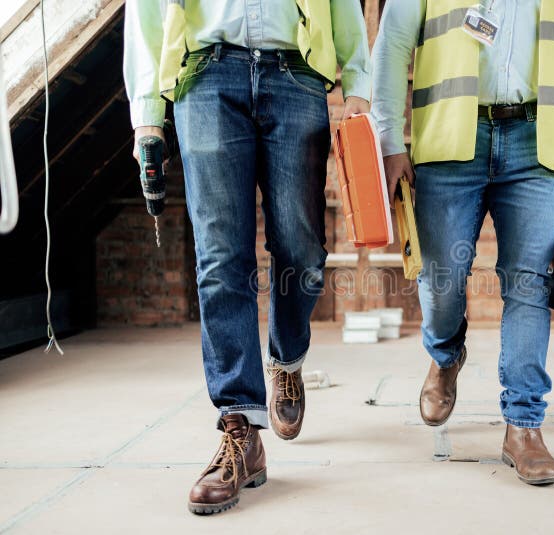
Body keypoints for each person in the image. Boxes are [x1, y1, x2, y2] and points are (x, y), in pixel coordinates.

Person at [123, 0, 370, 514]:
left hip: (296, 74)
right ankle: (240, 429)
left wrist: (358, 84)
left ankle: (287, 359)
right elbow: (145, 11)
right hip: (206, 75)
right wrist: (147, 116)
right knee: (220, 260)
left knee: (302, 251)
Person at [372, 0, 554, 485]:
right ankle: (445, 354)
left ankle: (524, 425)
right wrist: (390, 142)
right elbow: (392, 44)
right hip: (449, 137)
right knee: (441, 278)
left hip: (536, 141)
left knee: (530, 285)